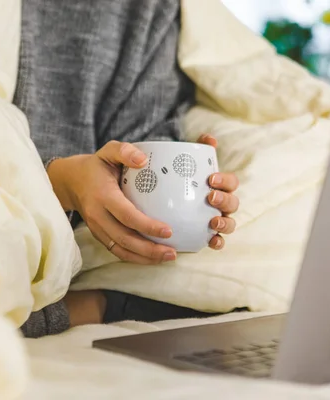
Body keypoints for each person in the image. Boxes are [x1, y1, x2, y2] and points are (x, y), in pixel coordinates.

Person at [13, 0, 240, 337]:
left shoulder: (149, 9)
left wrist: (192, 183)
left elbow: (144, 140)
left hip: (85, 251)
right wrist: (59, 182)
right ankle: (86, 307)